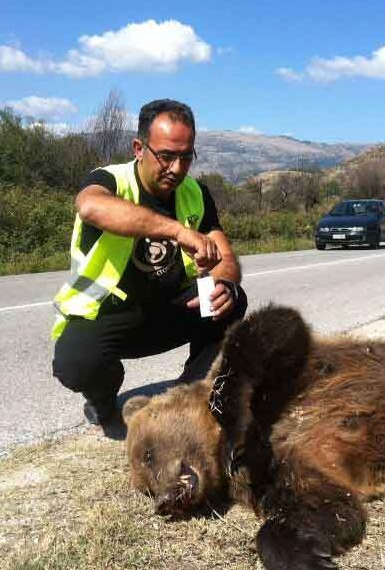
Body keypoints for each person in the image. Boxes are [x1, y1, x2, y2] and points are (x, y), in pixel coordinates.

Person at [51, 99, 247, 426]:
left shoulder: (196, 192)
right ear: (139, 148)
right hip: (112, 313)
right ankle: (102, 399)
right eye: (167, 156)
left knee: (232, 299)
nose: (177, 168)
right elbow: (91, 208)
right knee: (76, 364)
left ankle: (191, 396)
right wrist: (179, 232)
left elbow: (225, 257)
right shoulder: (110, 180)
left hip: (169, 310)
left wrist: (224, 281)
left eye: (186, 157)